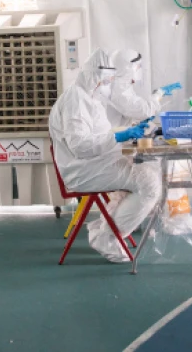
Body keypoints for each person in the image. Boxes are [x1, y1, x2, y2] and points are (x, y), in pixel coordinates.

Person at [49, 49, 161, 263]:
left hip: (95, 163)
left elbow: (98, 134)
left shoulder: (87, 96)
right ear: (95, 76)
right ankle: (107, 238)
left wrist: (125, 133)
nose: (108, 84)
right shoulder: (76, 101)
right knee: (150, 184)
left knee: (148, 173)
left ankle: (105, 227)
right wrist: (120, 137)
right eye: (106, 80)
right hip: (83, 170)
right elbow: (81, 146)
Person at [107, 48, 181, 126]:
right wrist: (159, 93)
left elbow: (130, 111)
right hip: (113, 136)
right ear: (128, 68)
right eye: (138, 66)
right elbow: (146, 111)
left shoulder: (121, 85)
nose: (140, 69)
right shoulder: (119, 89)